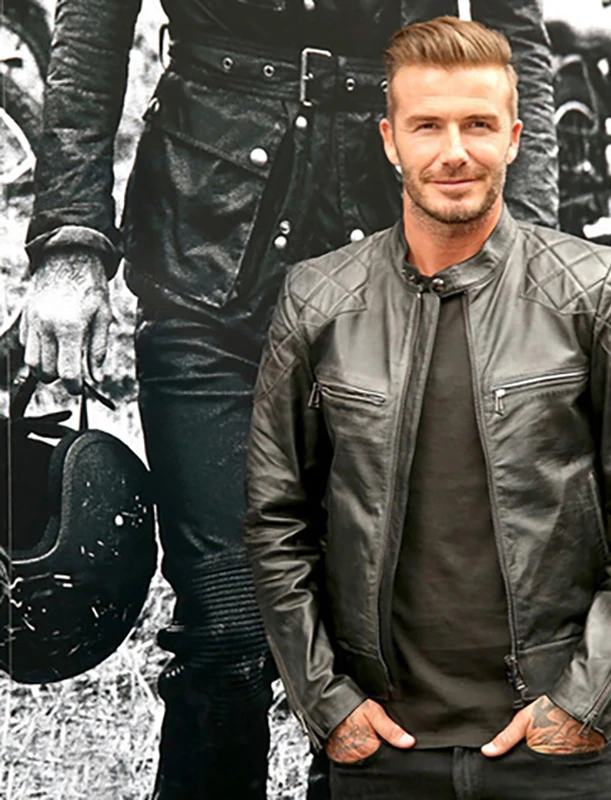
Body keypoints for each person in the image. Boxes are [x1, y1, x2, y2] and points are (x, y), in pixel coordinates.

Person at [18, 2, 557, 798]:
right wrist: (70, 241)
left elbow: (515, 40)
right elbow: (94, 19)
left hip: (400, 264)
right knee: (228, 632)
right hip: (206, 253)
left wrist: (526, 255)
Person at [244, 16, 611, 799]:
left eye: (479, 125)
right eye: (427, 126)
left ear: (515, 138)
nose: (454, 152)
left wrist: (583, 705)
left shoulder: (595, 292)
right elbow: (275, 520)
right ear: (390, 141)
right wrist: (329, 706)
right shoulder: (318, 301)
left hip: (555, 754)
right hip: (381, 756)